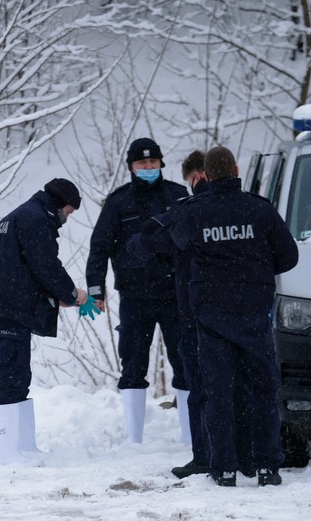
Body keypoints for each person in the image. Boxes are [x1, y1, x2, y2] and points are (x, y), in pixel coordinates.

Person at [170, 147, 298, 487]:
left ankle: (224, 467)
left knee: (218, 393)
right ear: (237, 169)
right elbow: (288, 257)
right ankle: (268, 465)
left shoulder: (194, 212)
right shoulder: (260, 209)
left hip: (212, 318)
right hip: (253, 314)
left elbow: (178, 245)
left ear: (206, 176)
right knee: (263, 391)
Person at [126, 150, 254, 479]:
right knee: (242, 386)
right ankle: (248, 456)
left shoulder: (188, 212)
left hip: (199, 313)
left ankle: (207, 457)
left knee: (203, 388)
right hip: (245, 310)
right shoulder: (252, 206)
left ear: (198, 178)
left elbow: (147, 242)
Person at [0, 178, 96, 465]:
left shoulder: (18, 216)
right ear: (59, 204)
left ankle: (24, 447)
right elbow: (46, 266)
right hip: (8, 310)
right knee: (8, 379)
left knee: (19, 378)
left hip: (7, 307)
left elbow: (22, 269)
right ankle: (6, 454)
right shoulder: (35, 220)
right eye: (68, 211)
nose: (67, 218)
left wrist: (55, 299)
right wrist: (72, 293)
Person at [85, 137, 189, 443]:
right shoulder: (118, 202)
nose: (148, 168)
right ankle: (134, 440)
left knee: (185, 362)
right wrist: (96, 290)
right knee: (132, 364)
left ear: (161, 164)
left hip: (175, 295)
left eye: (153, 163)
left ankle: (190, 435)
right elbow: (99, 248)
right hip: (135, 296)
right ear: (131, 167)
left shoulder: (178, 196)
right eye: (142, 164)